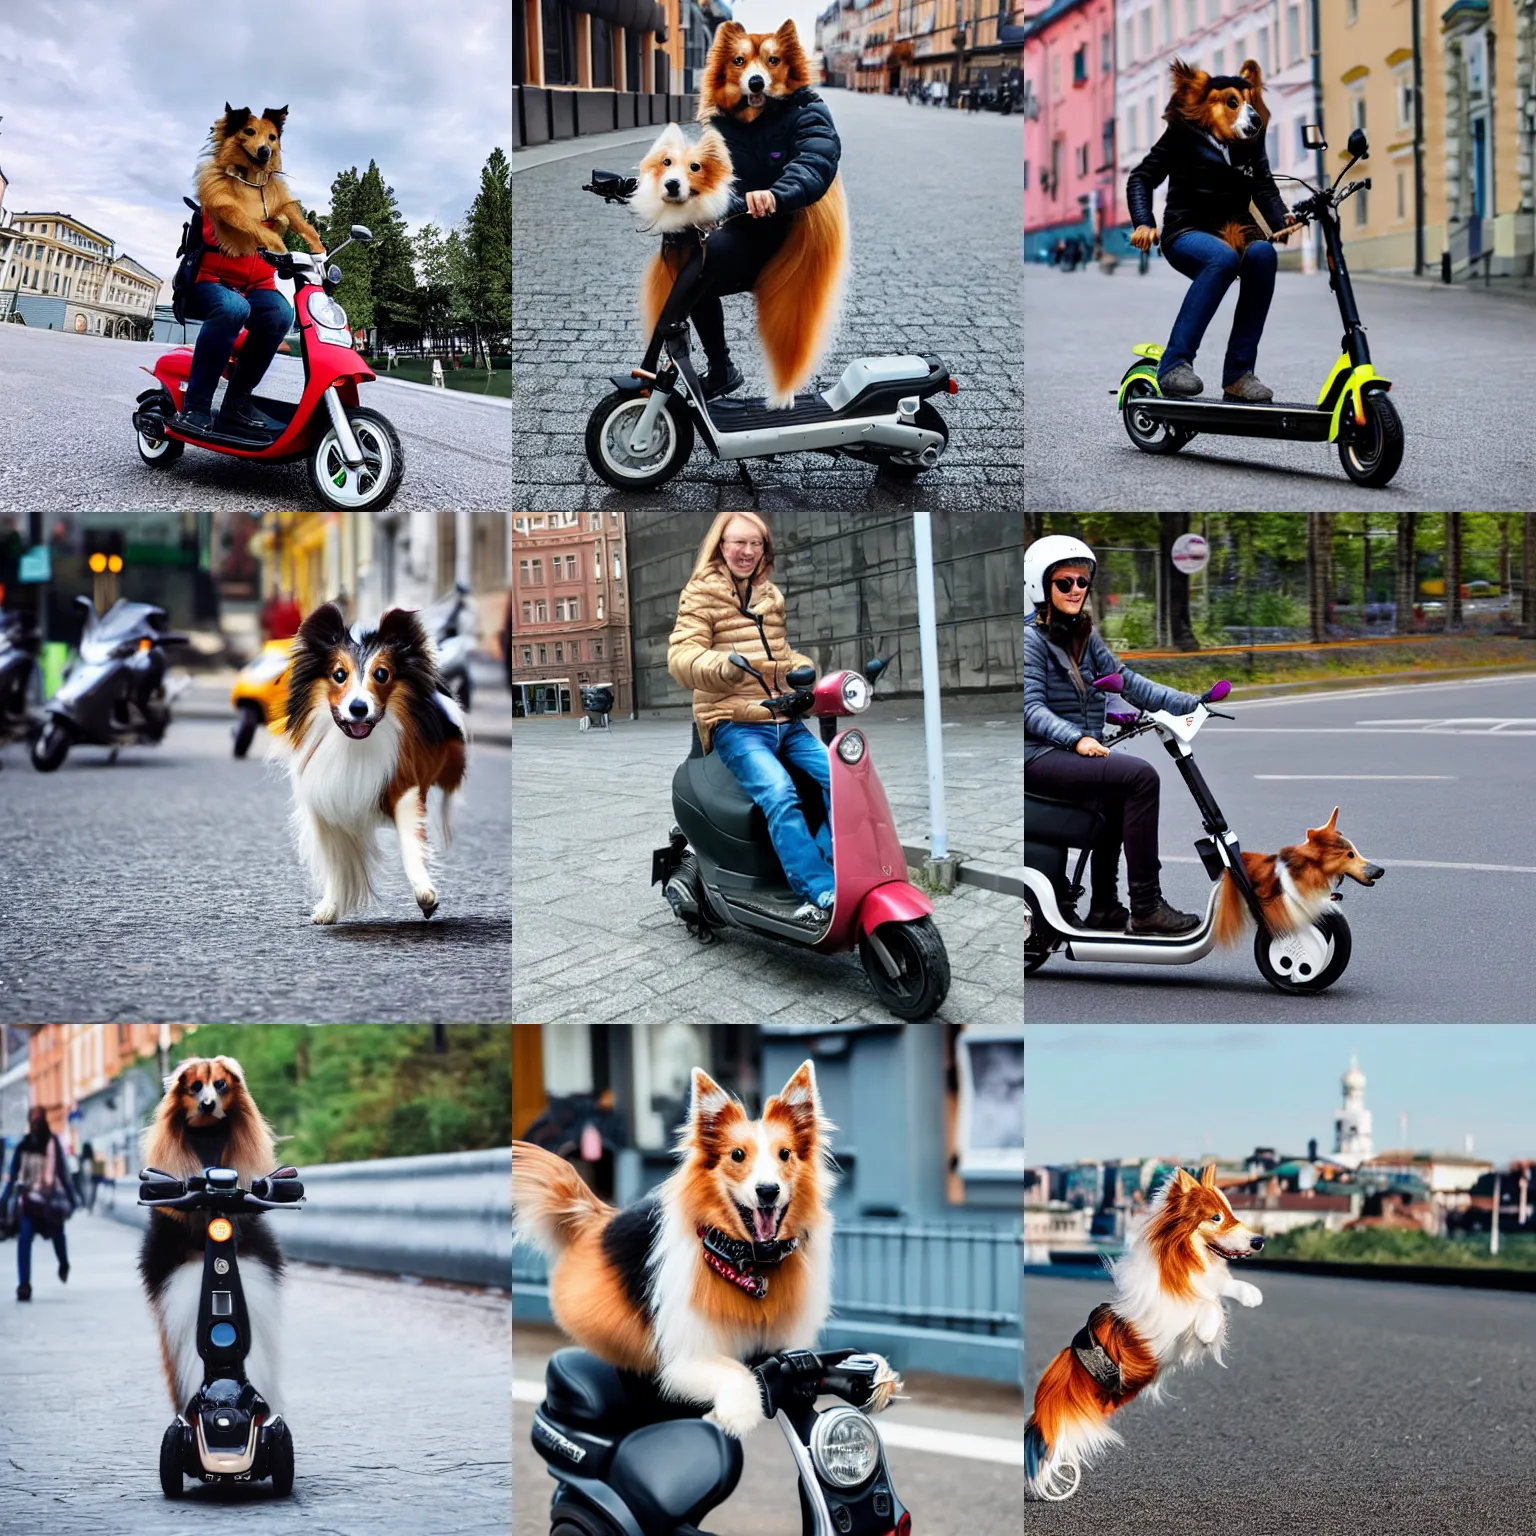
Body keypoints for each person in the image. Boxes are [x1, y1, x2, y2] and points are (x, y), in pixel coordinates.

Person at [1024, 535, 1203, 935]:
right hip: (1037, 756)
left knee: (1120, 792)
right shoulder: (1030, 640)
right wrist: (1076, 739)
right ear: (1041, 586)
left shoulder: (1084, 637)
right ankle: (1146, 908)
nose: (1076, 590)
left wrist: (1192, 702)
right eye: (1064, 582)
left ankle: (1105, 906)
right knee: (1140, 777)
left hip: (1070, 751)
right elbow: (1031, 709)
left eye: (1082, 582)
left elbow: (1127, 682)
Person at [668, 513, 835, 926]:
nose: (746, 552)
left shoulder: (769, 595)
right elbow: (681, 658)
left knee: (844, 778)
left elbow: (779, 654)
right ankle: (818, 888)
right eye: (738, 543)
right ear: (720, 545)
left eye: (755, 544)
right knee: (779, 792)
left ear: (765, 549)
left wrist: (801, 666)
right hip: (734, 722)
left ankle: (834, 865)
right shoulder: (700, 594)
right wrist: (725, 665)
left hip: (783, 717)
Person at [1125, 63, 1300, 403]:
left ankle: (1238, 375)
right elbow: (1141, 178)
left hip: (1235, 230)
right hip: (1186, 230)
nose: (1246, 112)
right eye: (1233, 103)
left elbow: (1264, 186)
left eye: (1248, 102)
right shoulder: (1183, 133)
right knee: (1222, 258)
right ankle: (1174, 364)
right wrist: (1144, 222)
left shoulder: (1250, 140)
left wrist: (1283, 219)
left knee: (1263, 255)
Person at [1, 1106, 76, 1301]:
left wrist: (72, 1197)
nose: (35, 1123)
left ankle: (63, 1264)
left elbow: (62, 1172)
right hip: (28, 1202)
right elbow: (13, 1176)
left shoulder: (52, 1144)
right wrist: (4, 1201)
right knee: (24, 1239)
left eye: (38, 1119)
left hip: (50, 1202)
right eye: (32, 1119)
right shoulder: (23, 1145)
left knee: (58, 1235)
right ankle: (24, 1284)